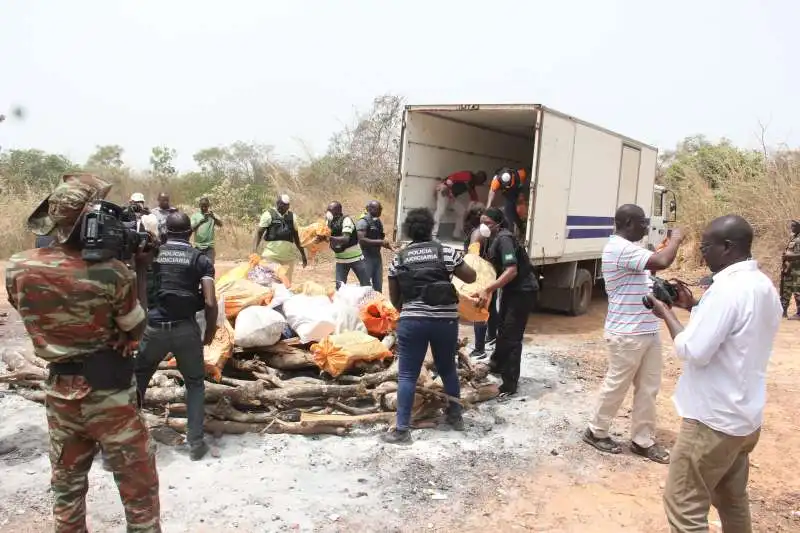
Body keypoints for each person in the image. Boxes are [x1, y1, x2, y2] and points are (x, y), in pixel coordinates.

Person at [5, 173, 161, 532]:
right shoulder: (112, 272)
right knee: (138, 492)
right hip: (111, 397)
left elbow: (35, 316)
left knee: (67, 489)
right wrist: (139, 269)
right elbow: (136, 329)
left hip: (61, 395)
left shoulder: (18, 267)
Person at [647, 215, 781, 532]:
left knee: (684, 506)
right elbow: (740, 332)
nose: (703, 252)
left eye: (706, 246)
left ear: (728, 246)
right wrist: (693, 306)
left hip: (712, 423)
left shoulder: (727, 290)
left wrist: (664, 312)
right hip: (744, 419)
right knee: (731, 499)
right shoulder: (762, 285)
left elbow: (693, 350)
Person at [582, 204, 684, 464]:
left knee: (648, 388)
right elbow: (662, 261)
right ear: (628, 222)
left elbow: (652, 267)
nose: (645, 226)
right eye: (642, 222)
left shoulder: (631, 249)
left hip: (647, 328)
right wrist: (675, 240)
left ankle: (643, 440)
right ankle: (596, 430)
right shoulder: (618, 247)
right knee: (617, 384)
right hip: (627, 332)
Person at [383, 207, 477, 444]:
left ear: (409, 230)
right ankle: (455, 416)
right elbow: (471, 277)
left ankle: (402, 430)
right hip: (444, 321)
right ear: (430, 227)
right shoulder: (446, 252)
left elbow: (395, 299)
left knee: (407, 375)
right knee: (447, 368)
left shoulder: (400, 258)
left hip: (412, 321)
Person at [135, 212, 218, 461]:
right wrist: (210, 331)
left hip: (154, 328)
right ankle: (195, 443)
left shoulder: (152, 255)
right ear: (190, 233)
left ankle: (128, 438)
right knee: (194, 384)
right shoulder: (200, 259)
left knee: (138, 379)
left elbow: (139, 292)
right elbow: (210, 301)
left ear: (165, 232)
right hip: (185, 330)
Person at [473, 208, 538, 395]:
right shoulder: (492, 239)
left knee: (512, 335)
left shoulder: (504, 239)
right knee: (504, 328)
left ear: (498, 223)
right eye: (482, 222)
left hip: (523, 290)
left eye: (488, 223)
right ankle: (497, 365)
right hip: (511, 290)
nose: (484, 226)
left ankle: (510, 384)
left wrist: (488, 289)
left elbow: (512, 270)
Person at [463, 204, 497, 359]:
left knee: (479, 309)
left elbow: (473, 254)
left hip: (480, 273)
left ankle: (479, 349)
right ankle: (492, 336)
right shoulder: (485, 231)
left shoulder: (476, 232)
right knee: (490, 307)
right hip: (489, 272)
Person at [253, 194, 307, 283]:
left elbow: (296, 238)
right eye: (282, 205)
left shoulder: (292, 217)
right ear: (278, 203)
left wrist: (303, 255)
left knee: (286, 285)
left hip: (288, 258)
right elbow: (259, 233)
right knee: (272, 283)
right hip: (271, 257)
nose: (285, 207)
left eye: (287, 205)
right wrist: (254, 251)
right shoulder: (268, 215)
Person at [326, 201, 371, 289]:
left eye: (331, 210)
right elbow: (326, 236)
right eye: (328, 210)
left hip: (356, 259)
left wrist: (329, 238)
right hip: (341, 260)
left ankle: (372, 302)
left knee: (366, 285)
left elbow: (345, 239)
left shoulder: (346, 220)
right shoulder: (329, 222)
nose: (328, 212)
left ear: (338, 211)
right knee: (339, 288)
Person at [432, 170, 487, 240]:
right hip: (444, 189)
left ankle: (456, 235)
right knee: (440, 211)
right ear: (478, 178)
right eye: (480, 181)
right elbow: (452, 177)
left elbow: (474, 197)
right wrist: (446, 187)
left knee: (461, 211)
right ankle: (433, 234)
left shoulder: (471, 184)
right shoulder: (468, 175)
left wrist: (478, 206)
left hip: (451, 196)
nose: (479, 183)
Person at [356, 200, 394, 292]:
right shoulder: (363, 222)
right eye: (378, 209)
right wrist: (380, 242)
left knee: (378, 285)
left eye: (381, 209)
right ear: (369, 209)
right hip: (366, 257)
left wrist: (390, 247)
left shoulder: (378, 222)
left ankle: (377, 305)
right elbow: (361, 240)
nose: (380, 211)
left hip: (377, 257)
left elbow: (379, 239)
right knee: (365, 286)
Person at [486, 167, 528, 235]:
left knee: (521, 209)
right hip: (509, 195)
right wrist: (488, 205)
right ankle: (511, 230)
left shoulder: (520, 174)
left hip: (518, 189)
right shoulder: (496, 180)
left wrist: (522, 196)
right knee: (509, 212)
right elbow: (492, 192)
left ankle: (523, 226)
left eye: (509, 184)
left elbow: (527, 183)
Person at [190, 197, 222, 265]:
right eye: (202, 206)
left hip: (209, 247)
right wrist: (201, 221)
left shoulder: (212, 215)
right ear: (199, 206)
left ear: (208, 206)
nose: (204, 208)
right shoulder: (195, 216)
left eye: (206, 206)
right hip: (198, 246)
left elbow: (220, 224)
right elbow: (191, 229)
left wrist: (213, 217)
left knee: (209, 267)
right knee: (197, 267)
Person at [780, 219, 800, 319]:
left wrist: (789, 257)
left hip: (797, 270)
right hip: (789, 268)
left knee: (797, 291)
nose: (792, 228)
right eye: (791, 226)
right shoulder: (793, 238)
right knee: (786, 290)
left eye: (794, 226)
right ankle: (782, 312)